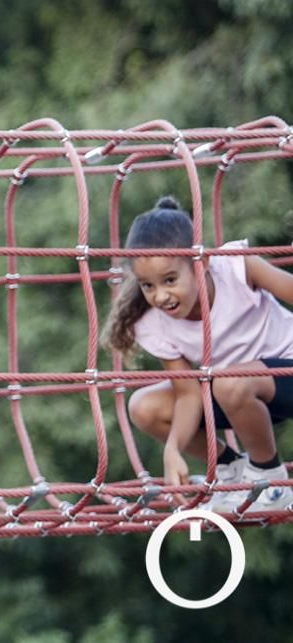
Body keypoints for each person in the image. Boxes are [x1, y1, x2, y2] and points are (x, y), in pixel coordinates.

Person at [103, 196, 293, 512]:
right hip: (239, 399)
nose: (161, 296)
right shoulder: (153, 323)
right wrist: (173, 448)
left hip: (285, 373)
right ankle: (231, 468)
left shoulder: (236, 267)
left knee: (228, 381)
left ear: (200, 263)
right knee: (144, 407)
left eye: (170, 280)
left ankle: (269, 478)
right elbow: (188, 394)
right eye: (148, 286)